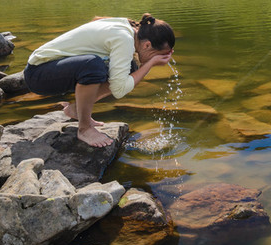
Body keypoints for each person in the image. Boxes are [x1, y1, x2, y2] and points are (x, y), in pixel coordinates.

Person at [23, 13, 175, 147]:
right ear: (147, 44)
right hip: (38, 75)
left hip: (53, 69)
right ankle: (84, 129)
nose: (159, 60)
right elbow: (119, 89)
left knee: (129, 69)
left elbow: (122, 78)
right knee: (92, 65)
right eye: (158, 55)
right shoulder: (124, 38)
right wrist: (150, 64)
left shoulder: (128, 28)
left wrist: (148, 62)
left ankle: (76, 110)